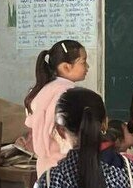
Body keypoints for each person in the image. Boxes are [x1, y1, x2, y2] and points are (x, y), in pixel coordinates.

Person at [23, 39, 88, 176]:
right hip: (65, 166)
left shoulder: (43, 90)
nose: (87, 66)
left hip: (44, 166)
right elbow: (63, 133)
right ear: (66, 67)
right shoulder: (68, 93)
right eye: (83, 62)